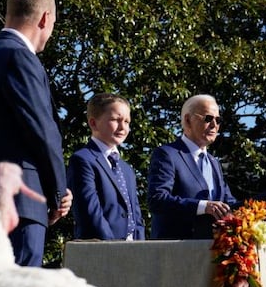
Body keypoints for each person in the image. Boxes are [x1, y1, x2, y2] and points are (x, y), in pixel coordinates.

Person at [0, 0, 72, 266]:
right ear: (45, 18)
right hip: (19, 201)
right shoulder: (18, 56)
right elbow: (41, 129)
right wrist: (59, 192)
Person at [146, 94, 238, 240]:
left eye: (218, 120)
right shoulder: (167, 154)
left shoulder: (214, 163)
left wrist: (260, 210)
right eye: (208, 118)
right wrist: (203, 206)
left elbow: (228, 203)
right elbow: (157, 200)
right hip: (175, 250)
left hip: (212, 249)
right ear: (188, 120)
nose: (214, 125)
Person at [67, 93, 145, 241]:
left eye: (127, 121)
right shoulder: (83, 159)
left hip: (132, 251)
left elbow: (136, 215)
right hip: (100, 249)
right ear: (93, 123)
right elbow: (90, 212)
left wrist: (139, 246)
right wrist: (112, 247)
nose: (123, 127)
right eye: (115, 120)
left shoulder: (126, 169)